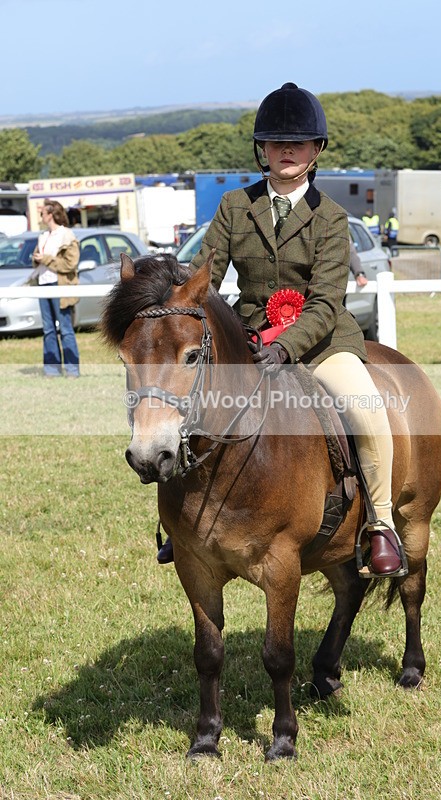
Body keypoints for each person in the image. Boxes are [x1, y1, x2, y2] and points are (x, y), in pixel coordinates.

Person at [157, 82, 403, 578]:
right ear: (262, 149)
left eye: (298, 144)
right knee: (177, 401)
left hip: (321, 342)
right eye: (276, 143)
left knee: (366, 408)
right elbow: (207, 276)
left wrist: (285, 347)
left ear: (315, 151)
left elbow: (327, 300)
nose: (287, 151)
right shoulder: (232, 207)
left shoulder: (332, 219)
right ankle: (178, 525)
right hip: (248, 341)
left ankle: (379, 524)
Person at [31, 199, 80, 378]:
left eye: (43, 212)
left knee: (65, 329)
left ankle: (72, 370)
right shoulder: (43, 236)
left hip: (60, 287)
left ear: (51, 214)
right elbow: (39, 260)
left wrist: (45, 259)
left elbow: (70, 264)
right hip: (43, 284)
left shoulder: (67, 235)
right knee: (48, 329)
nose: (41, 215)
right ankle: (52, 370)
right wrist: (36, 258)